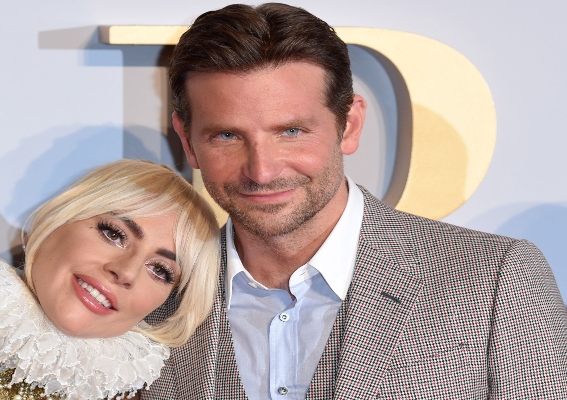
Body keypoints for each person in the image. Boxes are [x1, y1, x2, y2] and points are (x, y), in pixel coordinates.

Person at [143, 3, 567, 399]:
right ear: (188, 143)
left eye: (291, 132)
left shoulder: (495, 281)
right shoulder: (150, 297)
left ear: (350, 125)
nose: (262, 171)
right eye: (227, 136)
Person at [0, 159, 220, 400]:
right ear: (55, 223)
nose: (126, 272)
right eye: (114, 233)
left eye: (160, 270)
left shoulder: (152, 390)